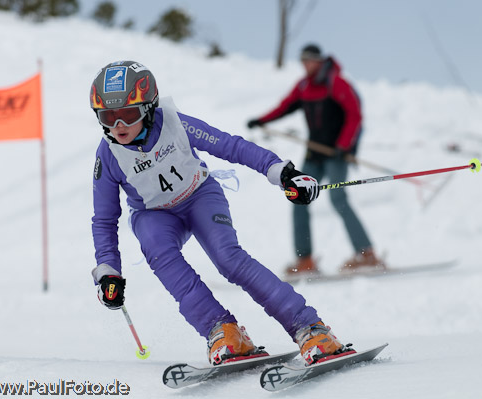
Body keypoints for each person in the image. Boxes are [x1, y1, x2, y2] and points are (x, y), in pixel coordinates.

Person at [89, 60, 351, 366]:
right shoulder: (107, 156)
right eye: (108, 117)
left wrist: (280, 172)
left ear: (147, 108)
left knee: (229, 259)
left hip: (199, 196)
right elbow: (104, 219)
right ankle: (223, 331)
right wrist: (108, 270)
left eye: (128, 114)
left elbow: (230, 146)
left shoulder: (175, 124)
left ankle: (310, 328)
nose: (118, 126)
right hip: (155, 215)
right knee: (159, 252)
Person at [246, 44, 384, 277]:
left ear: (319, 61)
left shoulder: (336, 83)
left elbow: (355, 115)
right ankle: (306, 260)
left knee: (338, 198)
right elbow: (285, 107)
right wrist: (262, 120)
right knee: (298, 197)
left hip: (336, 154)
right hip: (314, 154)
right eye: (302, 61)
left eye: (309, 61)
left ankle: (366, 254)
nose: (305, 65)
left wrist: (344, 145)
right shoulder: (304, 87)